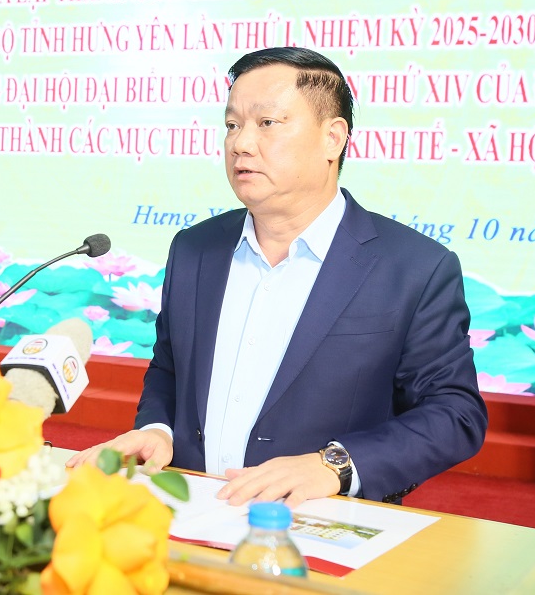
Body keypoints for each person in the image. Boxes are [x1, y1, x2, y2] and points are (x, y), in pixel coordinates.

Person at [68, 47, 487, 507]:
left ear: (333, 139)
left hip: (316, 525)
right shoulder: (194, 249)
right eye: (232, 125)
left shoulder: (414, 267)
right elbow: (169, 370)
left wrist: (335, 465)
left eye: (267, 123)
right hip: (190, 513)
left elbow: (455, 413)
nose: (241, 144)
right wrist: (157, 429)